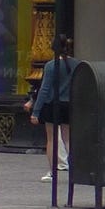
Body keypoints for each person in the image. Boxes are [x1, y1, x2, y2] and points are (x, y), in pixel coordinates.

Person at [28, 35, 75, 173]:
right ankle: (75, 168)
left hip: (52, 104)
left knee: (52, 139)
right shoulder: (76, 64)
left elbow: (44, 89)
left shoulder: (50, 65)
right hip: (69, 104)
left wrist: (36, 111)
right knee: (68, 139)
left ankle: (52, 171)